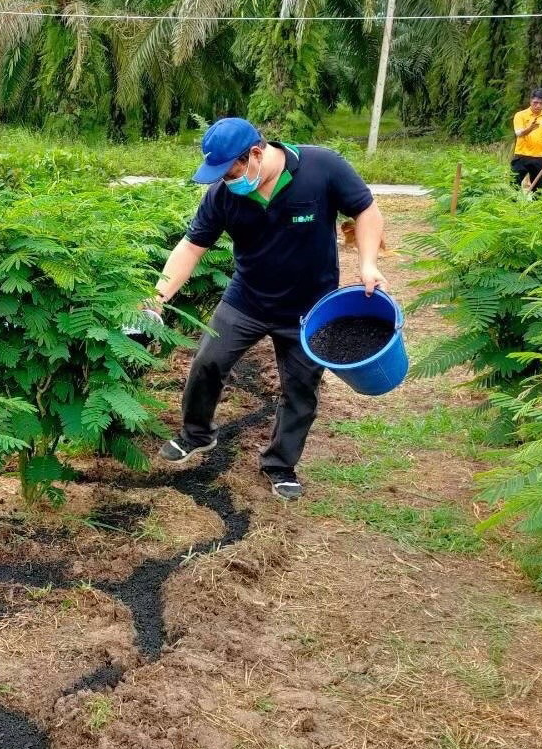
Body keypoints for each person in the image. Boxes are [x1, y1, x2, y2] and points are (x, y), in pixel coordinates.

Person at [148, 117, 387, 500]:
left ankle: (280, 465)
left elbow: (366, 210)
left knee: (300, 387)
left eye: (229, 172)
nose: (226, 181)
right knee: (207, 361)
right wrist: (157, 298)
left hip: (310, 309)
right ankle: (197, 433)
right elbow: (192, 247)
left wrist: (368, 264)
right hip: (247, 299)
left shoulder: (321, 167)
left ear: (255, 154)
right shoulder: (223, 196)